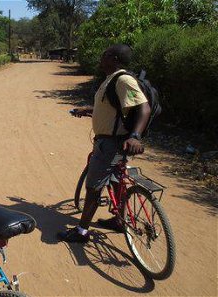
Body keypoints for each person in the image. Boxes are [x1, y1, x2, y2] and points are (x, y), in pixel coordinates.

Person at [58, 44, 151, 243]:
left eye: (105, 54)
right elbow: (113, 109)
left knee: (93, 188)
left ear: (115, 58)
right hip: (107, 141)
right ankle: (119, 219)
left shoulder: (123, 79)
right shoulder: (111, 80)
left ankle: (82, 232)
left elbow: (144, 107)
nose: (101, 57)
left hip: (111, 144)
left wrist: (135, 135)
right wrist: (88, 110)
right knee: (117, 180)